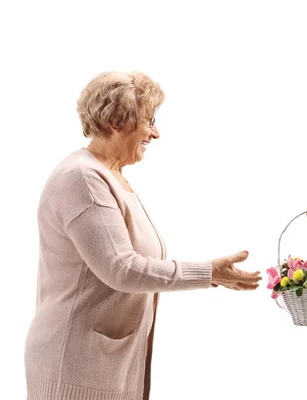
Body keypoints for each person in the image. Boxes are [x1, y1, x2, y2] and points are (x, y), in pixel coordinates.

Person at [24, 71, 262, 400]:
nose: (156, 132)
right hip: (75, 365)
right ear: (117, 122)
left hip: (105, 363)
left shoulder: (109, 176)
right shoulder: (82, 178)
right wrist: (208, 273)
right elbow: (122, 268)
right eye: (149, 120)